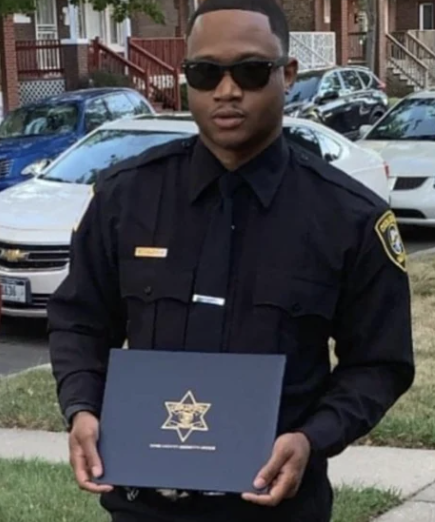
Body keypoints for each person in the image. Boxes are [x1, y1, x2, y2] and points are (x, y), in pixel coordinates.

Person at [47, 0, 415, 521]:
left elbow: (380, 364)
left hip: (277, 508)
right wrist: (81, 406)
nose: (227, 90)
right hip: (143, 507)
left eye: (250, 71)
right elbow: (79, 321)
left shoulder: (348, 217)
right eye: (205, 72)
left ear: (288, 74)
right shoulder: (126, 198)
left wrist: (313, 437)